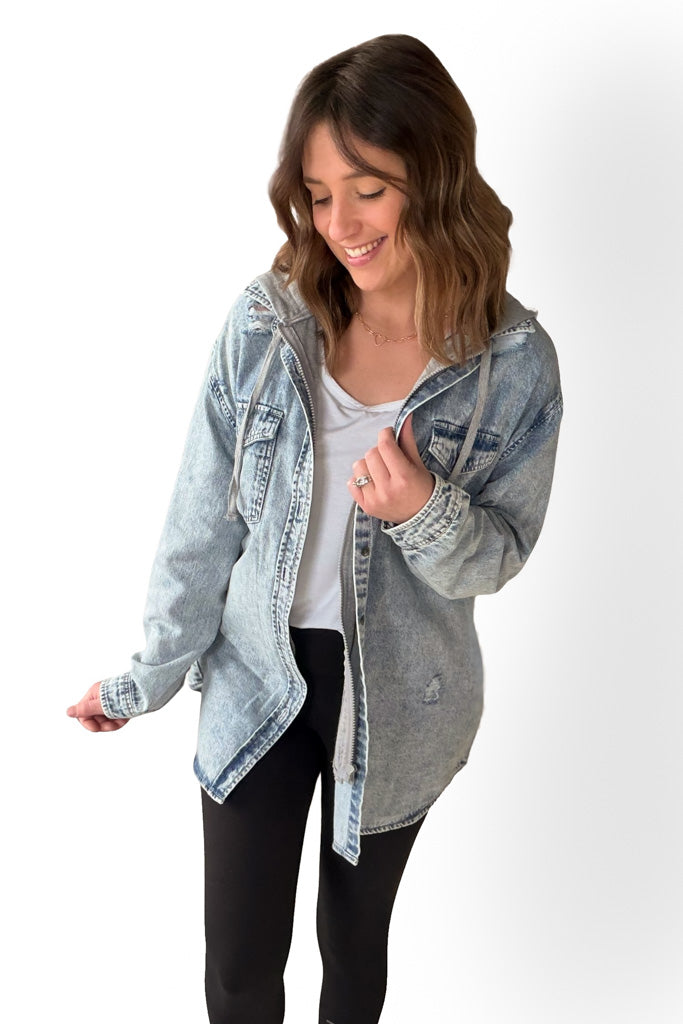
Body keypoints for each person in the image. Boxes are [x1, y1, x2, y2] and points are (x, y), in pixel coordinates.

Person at [67, 33, 562, 1024]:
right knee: (240, 966)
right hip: (256, 675)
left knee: (351, 952)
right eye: (317, 192)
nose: (338, 223)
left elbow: (500, 553)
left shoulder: (513, 363)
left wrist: (422, 508)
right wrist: (148, 675)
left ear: (432, 173)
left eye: (366, 187)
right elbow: (198, 525)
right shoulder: (265, 323)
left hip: (401, 699)